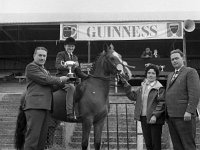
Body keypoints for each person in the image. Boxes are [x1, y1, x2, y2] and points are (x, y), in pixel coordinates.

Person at [23, 47, 69, 150]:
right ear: (34, 56)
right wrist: (60, 79)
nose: (42, 58)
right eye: (40, 55)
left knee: (41, 140)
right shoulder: (31, 67)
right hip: (35, 106)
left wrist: (65, 83)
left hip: (46, 107)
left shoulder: (45, 71)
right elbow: (45, 80)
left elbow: (52, 87)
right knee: (33, 138)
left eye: (44, 56)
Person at [121, 63, 165, 150]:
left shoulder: (159, 88)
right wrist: (126, 85)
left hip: (154, 119)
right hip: (144, 118)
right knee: (148, 144)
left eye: (153, 73)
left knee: (155, 144)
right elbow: (133, 96)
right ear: (146, 74)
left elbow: (162, 103)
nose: (150, 75)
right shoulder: (142, 87)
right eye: (149, 73)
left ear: (156, 75)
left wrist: (155, 115)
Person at [165, 49, 200, 150]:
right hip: (171, 116)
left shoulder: (190, 72)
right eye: (172, 59)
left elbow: (194, 93)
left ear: (183, 58)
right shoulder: (170, 75)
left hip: (184, 116)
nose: (174, 61)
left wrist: (189, 111)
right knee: (177, 146)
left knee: (188, 145)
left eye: (176, 58)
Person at [55, 37, 88, 120]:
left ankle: (81, 111)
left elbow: (78, 72)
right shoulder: (61, 54)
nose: (71, 48)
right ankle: (69, 113)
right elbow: (58, 66)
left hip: (73, 79)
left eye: (72, 46)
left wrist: (88, 77)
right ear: (65, 46)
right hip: (62, 79)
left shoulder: (75, 57)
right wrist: (67, 65)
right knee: (71, 87)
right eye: (69, 46)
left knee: (84, 88)